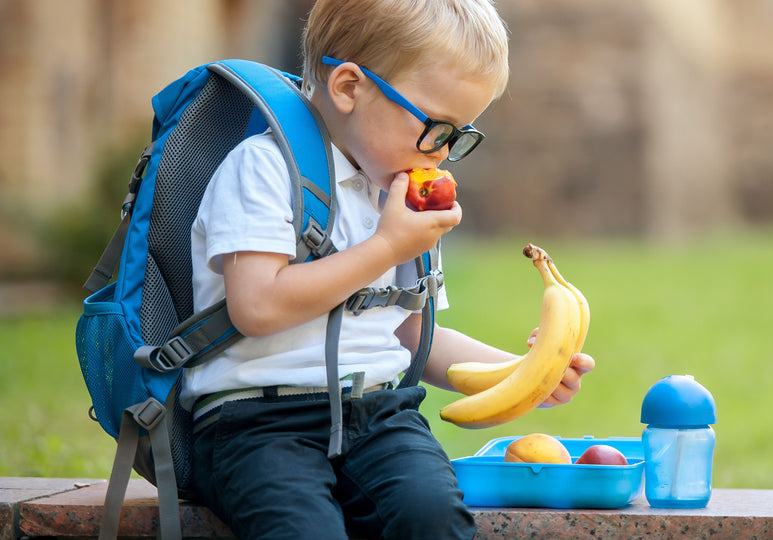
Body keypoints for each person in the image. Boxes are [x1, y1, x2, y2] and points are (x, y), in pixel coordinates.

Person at [180, 0, 595, 538]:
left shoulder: (399, 196)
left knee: (433, 517)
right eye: (435, 127)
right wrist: (386, 247)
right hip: (258, 422)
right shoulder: (262, 168)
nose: (441, 154)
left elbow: (413, 335)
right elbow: (256, 305)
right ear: (349, 88)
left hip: (378, 415)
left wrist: (526, 372)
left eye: (458, 136)